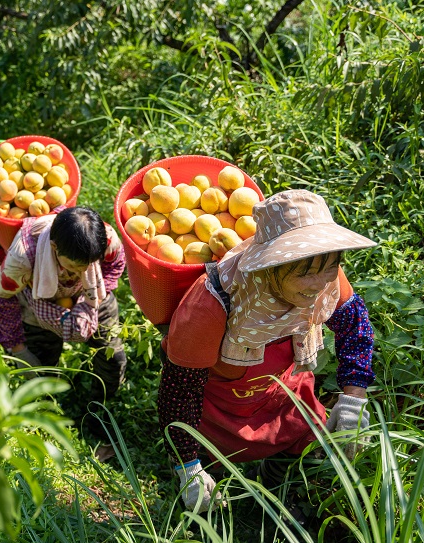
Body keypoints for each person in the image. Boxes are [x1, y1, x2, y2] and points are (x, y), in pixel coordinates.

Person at [157, 189, 377, 512]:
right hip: (218, 410)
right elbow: (178, 394)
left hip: (281, 393)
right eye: (305, 272)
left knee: (302, 433)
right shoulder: (213, 304)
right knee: (205, 469)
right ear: (271, 266)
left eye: (328, 268)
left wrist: (353, 399)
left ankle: (274, 485)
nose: (319, 283)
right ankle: (205, 498)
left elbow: (354, 324)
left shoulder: (325, 275)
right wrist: (187, 466)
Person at [0, 206, 127, 432]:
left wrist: (92, 301)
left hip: (90, 294)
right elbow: (0, 298)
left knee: (113, 358)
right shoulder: (24, 257)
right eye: (73, 266)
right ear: (54, 248)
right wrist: (18, 347)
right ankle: (42, 419)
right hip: (39, 298)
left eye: (87, 266)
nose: (81, 271)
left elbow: (116, 264)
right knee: (39, 369)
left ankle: (101, 412)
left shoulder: (106, 239)